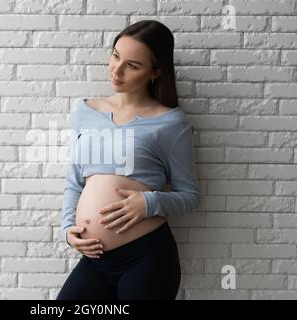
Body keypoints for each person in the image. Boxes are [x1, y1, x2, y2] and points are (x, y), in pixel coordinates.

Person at [56, 20, 200, 300]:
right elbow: (75, 183)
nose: (117, 70)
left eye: (132, 65)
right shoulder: (85, 112)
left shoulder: (171, 123)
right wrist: (66, 230)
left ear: (155, 72)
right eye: (115, 56)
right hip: (95, 259)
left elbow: (190, 196)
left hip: (146, 258)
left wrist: (149, 203)